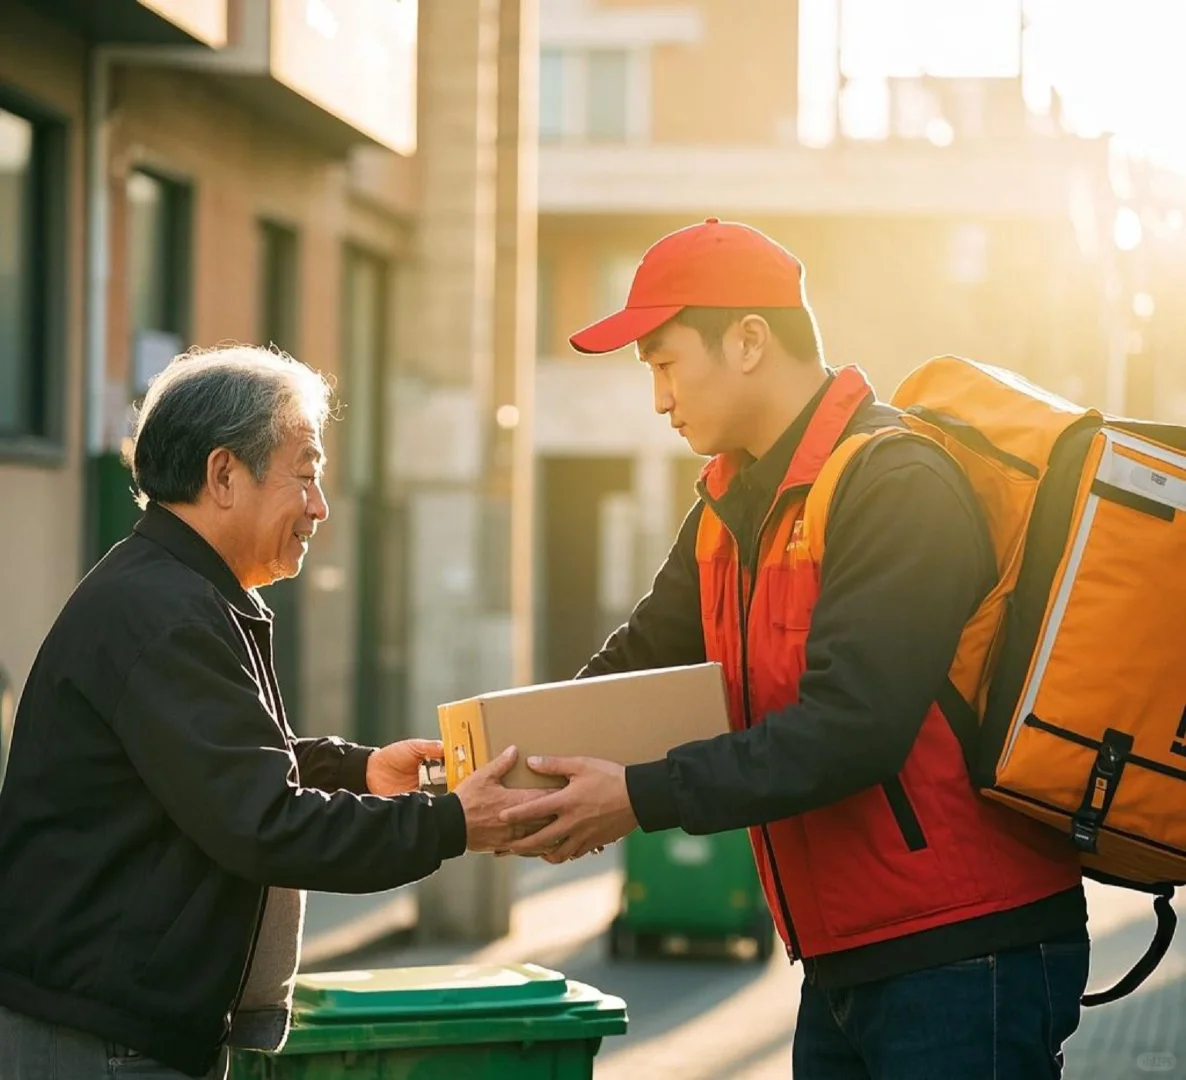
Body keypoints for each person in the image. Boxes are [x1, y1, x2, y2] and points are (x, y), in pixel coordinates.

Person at [501, 220, 1091, 1077]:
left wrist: (636, 797)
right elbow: (638, 660)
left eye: (666, 365)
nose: (659, 400)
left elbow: (852, 728)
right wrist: (494, 767)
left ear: (747, 341)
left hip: (967, 951)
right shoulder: (728, 504)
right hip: (847, 955)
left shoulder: (898, 485)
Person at [0, 346, 546, 1079]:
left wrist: (358, 770)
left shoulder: (181, 593)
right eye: (308, 473)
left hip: (111, 1024)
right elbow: (262, 822)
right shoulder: (169, 613)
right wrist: (450, 823)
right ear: (224, 475)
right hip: (102, 1038)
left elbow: (222, 765)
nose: (320, 505)